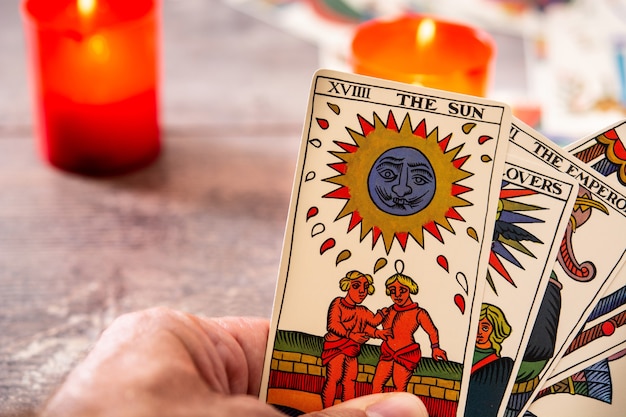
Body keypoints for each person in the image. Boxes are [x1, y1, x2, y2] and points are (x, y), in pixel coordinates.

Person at [40, 307, 429, 417]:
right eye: (360, 287)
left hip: (393, 353)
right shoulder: (342, 307)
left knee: (357, 384)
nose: (370, 291)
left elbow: (400, 327)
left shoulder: (383, 312)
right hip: (342, 351)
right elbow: (343, 329)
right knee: (335, 386)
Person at [321, 270, 391, 408]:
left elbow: (371, 323)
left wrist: (379, 331)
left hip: (352, 349)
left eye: (365, 287)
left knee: (350, 380)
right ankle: (327, 410)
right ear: (347, 286)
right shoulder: (338, 303)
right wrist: (351, 335)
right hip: (336, 346)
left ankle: (348, 411)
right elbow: (333, 324)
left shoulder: (362, 311)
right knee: (334, 378)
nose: (362, 291)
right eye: (356, 286)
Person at [371, 270, 447, 394]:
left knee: (399, 388)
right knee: (377, 383)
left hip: (405, 354)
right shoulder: (388, 310)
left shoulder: (419, 312)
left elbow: (432, 331)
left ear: (410, 290)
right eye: (392, 291)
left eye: (402, 290)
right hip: (388, 351)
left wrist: (435, 347)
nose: (397, 295)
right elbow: (372, 324)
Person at [465, 303, 514, 417]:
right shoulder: (463, 352)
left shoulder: (499, 365)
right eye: (476, 326)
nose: (479, 332)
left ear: (496, 329)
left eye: (485, 327)